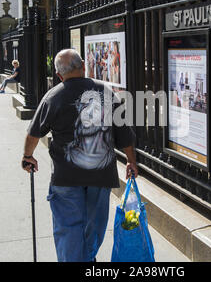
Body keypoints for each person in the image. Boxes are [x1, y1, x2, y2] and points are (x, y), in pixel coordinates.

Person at [21, 49, 137, 262]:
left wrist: (28, 156)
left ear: (59, 75)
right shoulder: (106, 92)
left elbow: (33, 133)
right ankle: (87, 258)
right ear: (83, 66)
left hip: (66, 177)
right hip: (100, 176)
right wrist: (131, 161)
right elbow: (124, 134)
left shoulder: (54, 96)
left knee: (68, 227)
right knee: (94, 226)